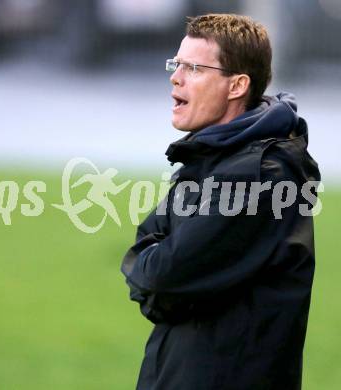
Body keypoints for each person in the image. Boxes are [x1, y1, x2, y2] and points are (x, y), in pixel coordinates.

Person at [121, 13, 321, 390]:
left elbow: (160, 279)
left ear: (237, 86)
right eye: (176, 64)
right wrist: (155, 269)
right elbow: (148, 249)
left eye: (193, 68)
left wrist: (155, 272)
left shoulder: (259, 176)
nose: (175, 77)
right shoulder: (214, 157)